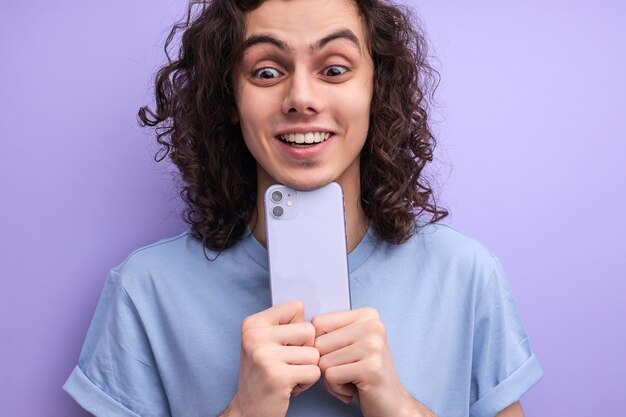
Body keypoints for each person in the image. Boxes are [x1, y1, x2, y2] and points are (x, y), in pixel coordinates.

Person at [64, 0, 543, 416]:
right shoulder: (145, 292)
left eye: (334, 69)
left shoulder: (465, 275)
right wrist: (244, 412)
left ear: (376, 88)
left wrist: (398, 405)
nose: (301, 99)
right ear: (230, 96)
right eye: (267, 71)